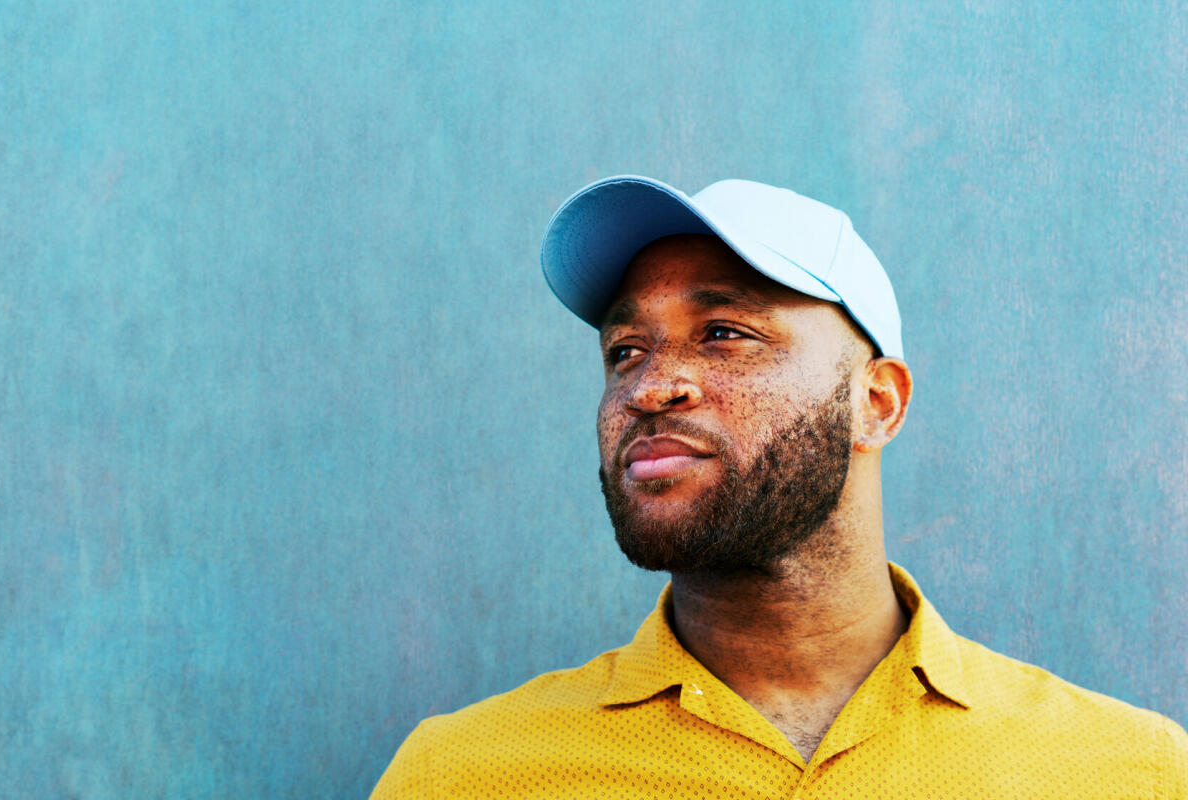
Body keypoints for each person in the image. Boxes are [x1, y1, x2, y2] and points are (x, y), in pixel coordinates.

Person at [371, 176, 1188, 798]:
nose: (650, 387)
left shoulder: (1128, 771)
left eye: (724, 334)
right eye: (625, 350)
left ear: (876, 403)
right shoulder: (463, 774)